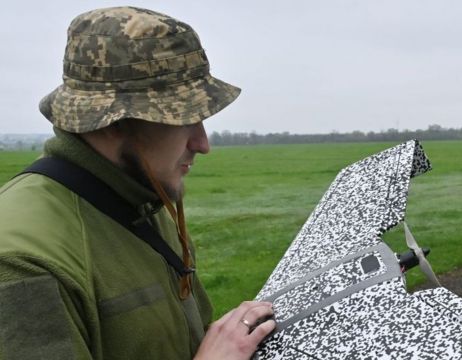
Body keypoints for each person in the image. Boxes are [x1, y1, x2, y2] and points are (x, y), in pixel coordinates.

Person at [0, 6, 274, 360]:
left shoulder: (144, 201)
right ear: (112, 122)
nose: (202, 144)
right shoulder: (22, 263)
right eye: (183, 119)